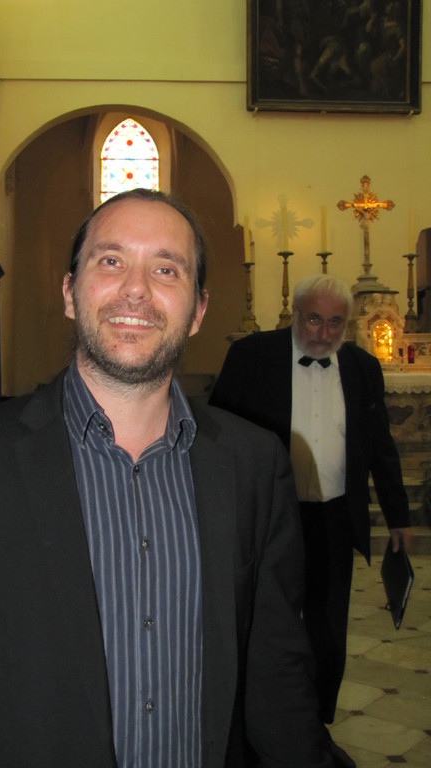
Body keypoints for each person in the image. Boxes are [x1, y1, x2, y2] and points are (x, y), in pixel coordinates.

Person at [0, 189, 333, 768]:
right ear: (70, 292)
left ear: (197, 311)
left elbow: (276, 667)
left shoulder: (253, 464)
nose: (136, 289)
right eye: (111, 260)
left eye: (166, 269)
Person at [209, 273, 412, 768]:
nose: (323, 333)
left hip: (334, 516)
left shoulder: (363, 367)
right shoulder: (251, 356)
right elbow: (218, 436)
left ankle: (315, 729)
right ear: (295, 315)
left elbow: (380, 445)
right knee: (263, 622)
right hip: (269, 516)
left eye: (335, 323)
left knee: (327, 628)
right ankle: (252, 726)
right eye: (314, 320)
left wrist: (398, 517)